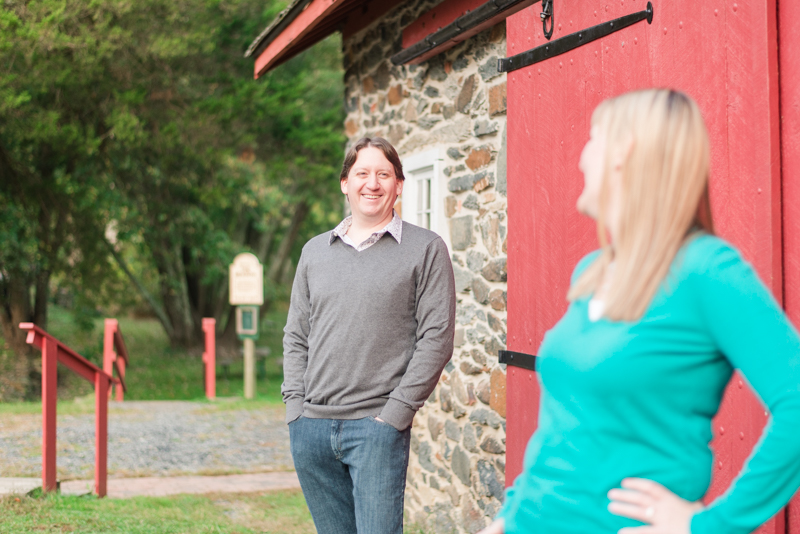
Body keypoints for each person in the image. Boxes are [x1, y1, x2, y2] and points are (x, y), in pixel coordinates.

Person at [480, 89, 800, 534]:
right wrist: (507, 516)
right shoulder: (593, 270)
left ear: (624, 151)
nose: (581, 158)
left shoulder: (705, 269)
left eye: (593, 139)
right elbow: (566, 424)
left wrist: (713, 526)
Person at [282, 137, 456, 534]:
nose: (372, 183)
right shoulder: (314, 251)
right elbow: (296, 334)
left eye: (383, 174)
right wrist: (295, 409)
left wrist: (394, 415)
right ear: (345, 183)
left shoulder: (425, 248)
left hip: (376, 429)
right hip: (311, 429)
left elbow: (437, 338)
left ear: (399, 184)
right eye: (362, 173)